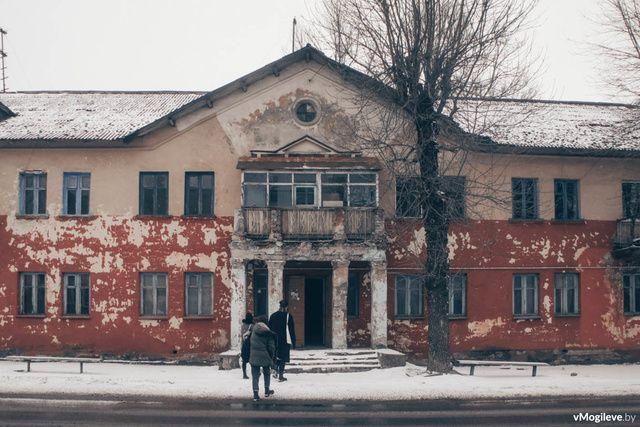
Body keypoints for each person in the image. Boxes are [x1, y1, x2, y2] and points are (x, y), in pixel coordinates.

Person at [246, 315, 276, 402]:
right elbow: (271, 347)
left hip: (254, 355)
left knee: (255, 375)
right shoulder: (268, 332)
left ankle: (255, 394)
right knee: (266, 372)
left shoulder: (253, 330)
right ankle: (267, 390)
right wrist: (271, 357)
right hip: (265, 355)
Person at [268, 299, 296, 382]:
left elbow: (269, 328)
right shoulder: (289, 316)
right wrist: (293, 342)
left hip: (275, 340)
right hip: (284, 341)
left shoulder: (273, 316)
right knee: (283, 358)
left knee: (275, 356)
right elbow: (291, 330)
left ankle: (275, 370)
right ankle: (281, 375)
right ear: (286, 307)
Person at [240, 312, 253, 379]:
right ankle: (254, 372)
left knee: (244, 361)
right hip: (250, 345)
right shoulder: (252, 326)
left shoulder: (243, 326)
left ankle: (244, 374)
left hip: (244, 345)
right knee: (252, 360)